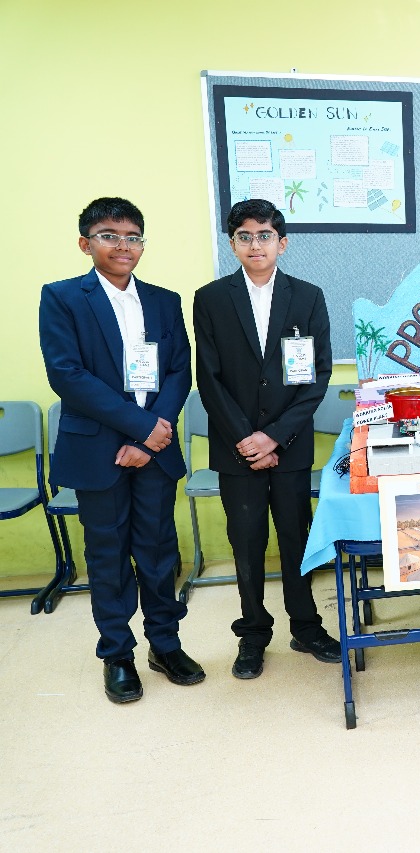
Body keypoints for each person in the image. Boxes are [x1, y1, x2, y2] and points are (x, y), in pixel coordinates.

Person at [39, 197, 203, 703]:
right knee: (107, 556)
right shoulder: (63, 297)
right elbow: (67, 375)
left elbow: (179, 369)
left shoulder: (163, 300)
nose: (123, 246)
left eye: (133, 237)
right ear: (85, 243)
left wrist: (150, 437)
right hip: (99, 452)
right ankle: (117, 655)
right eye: (109, 235)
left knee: (158, 551)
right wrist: (141, 430)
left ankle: (165, 645)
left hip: (154, 450)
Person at [193, 199, 339, 679]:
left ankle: (307, 626)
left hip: (290, 446)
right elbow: (209, 378)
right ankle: (253, 633)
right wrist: (247, 440)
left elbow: (315, 376)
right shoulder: (211, 299)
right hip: (236, 450)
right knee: (247, 542)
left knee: (297, 539)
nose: (255, 244)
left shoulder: (308, 297)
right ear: (232, 243)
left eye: (264, 235)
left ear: (282, 242)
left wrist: (274, 437)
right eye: (244, 236)